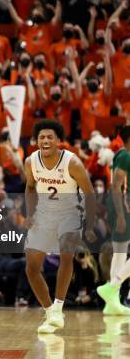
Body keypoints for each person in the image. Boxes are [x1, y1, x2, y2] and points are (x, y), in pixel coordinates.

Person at [24, 119, 96, 334]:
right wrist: (30, 215)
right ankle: (50, 313)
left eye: (49, 137)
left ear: (58, 141)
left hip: (70, 213)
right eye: (41, 137)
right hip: (44, 215)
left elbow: (90, 194)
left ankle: (59, 305)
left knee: (66, 254)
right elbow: (29, 187)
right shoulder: (30, 162)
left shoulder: (72, 163)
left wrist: (90, 226)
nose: (45, 140)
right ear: (36, 142)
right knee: (31, 267)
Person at [98, 125, 130, 315]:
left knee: (120, 252)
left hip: (119, 206)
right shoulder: (126, 155)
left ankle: (111, 303)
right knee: (120, 251)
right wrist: (120, 215)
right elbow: (117, 186)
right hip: (123, 207)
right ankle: (113, 287)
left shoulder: (122, 154)